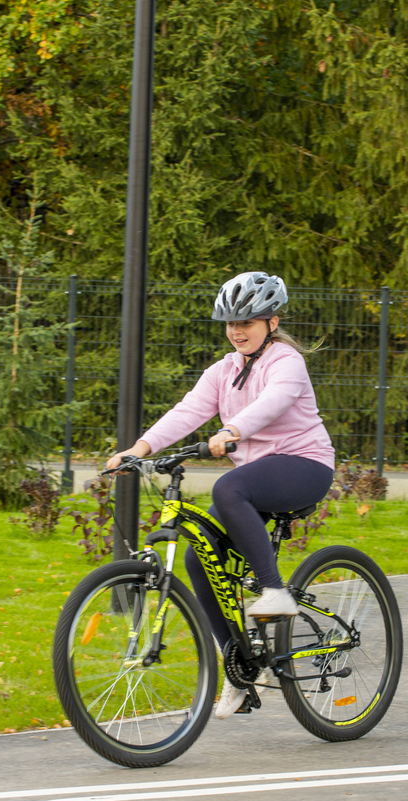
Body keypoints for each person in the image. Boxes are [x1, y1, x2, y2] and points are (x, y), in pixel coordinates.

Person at [106, 271, 335, 719]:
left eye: (246, 322)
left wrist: (231, 430)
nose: (236, 331)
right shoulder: (224, 370)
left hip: (304, 466)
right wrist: (139, 448)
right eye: (229, 323)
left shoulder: (286, 361)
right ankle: (241, 667)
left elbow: (272, 402)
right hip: (257, 478)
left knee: (227, 485)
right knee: (197, 554)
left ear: (271, 321)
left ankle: (275, 591)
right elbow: (188, 410)